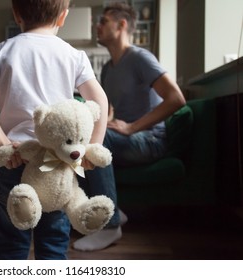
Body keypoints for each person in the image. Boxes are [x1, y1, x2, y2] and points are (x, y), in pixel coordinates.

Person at [0, 0, 110, 260]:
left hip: (15, 158)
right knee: (54, 245)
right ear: (63, 17)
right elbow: (99, 101)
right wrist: (92, 147)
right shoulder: (73, 55)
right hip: (59, 163)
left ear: (16, 13)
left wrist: (1, 143)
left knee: (12, 245)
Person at [73, 2, 186, 251]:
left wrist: (132, 127)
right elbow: (110, 112)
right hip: (126, 139)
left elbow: (176, 98)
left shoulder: (140, 58)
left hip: (150, 140)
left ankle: (110, 225)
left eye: (103, 21)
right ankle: (114, 209)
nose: (97, 26)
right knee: (75, 144)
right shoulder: (107, 71)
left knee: (98, 143)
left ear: (122, 25)